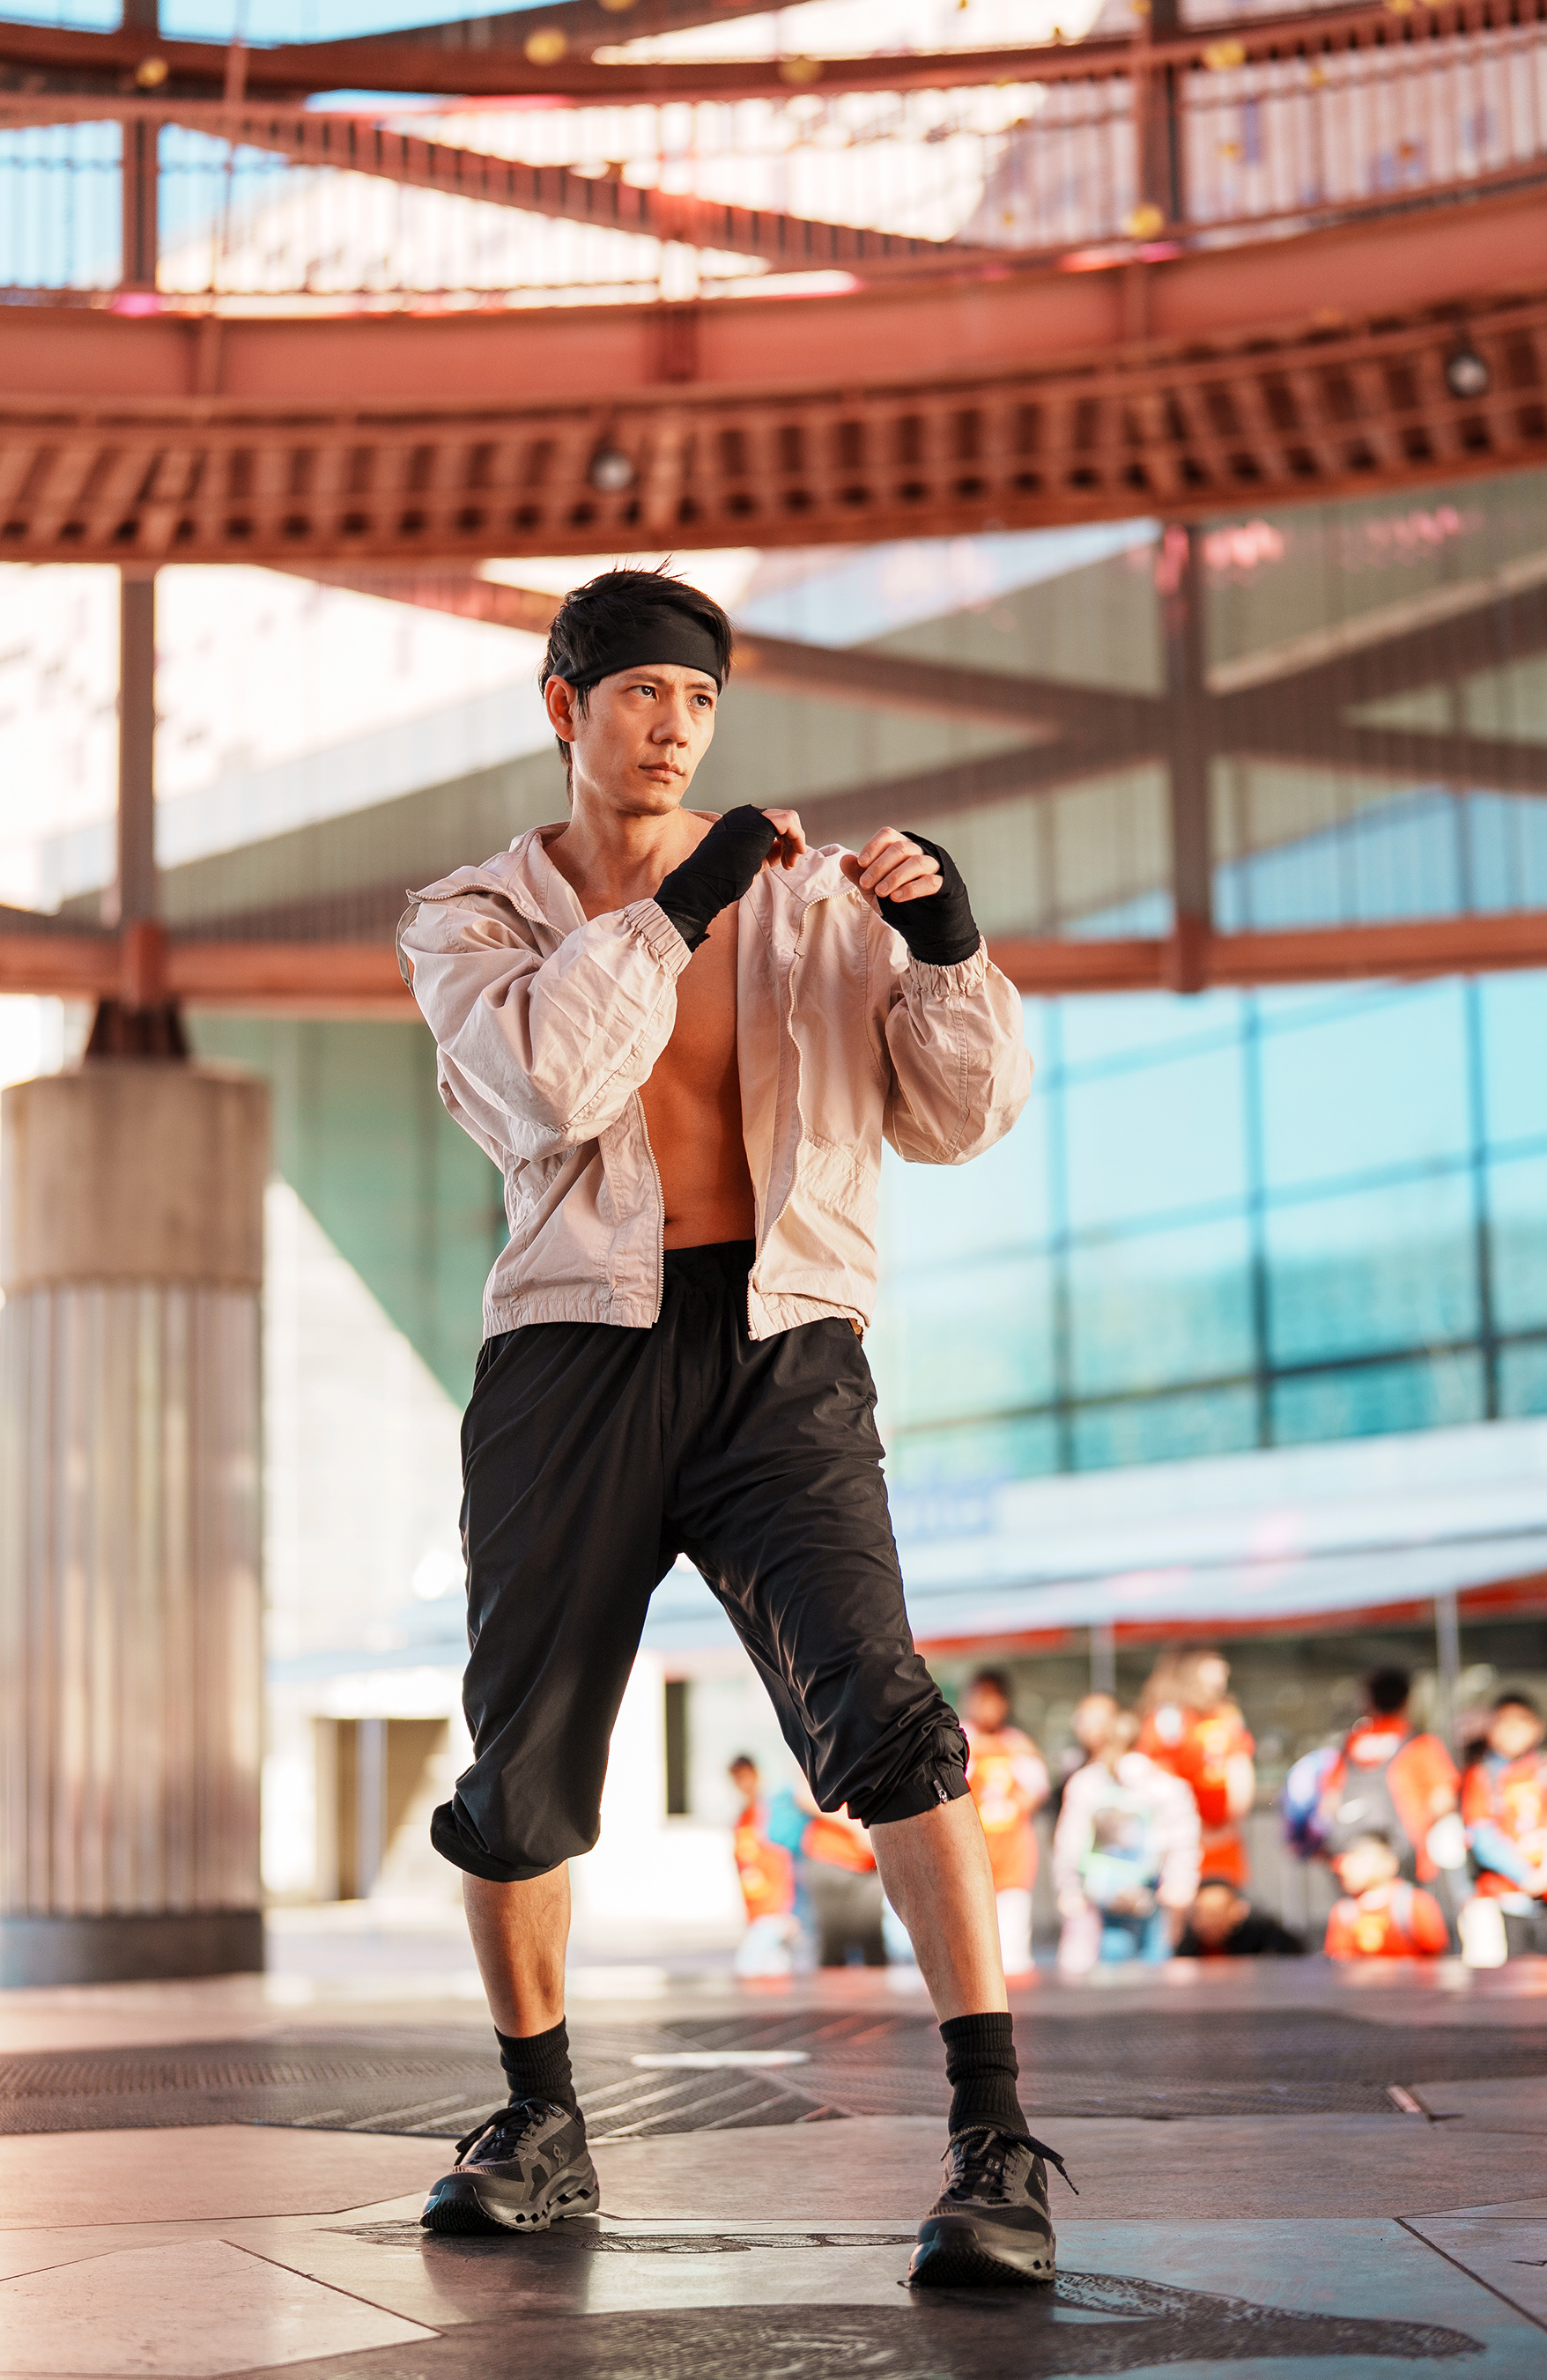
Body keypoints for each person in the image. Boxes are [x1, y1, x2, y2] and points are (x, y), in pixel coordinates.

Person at [397, 564, 1055, 2288]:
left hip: (783, 1351)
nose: (674, 727)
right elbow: (545, 1083)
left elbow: (958, 1117)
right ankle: (538, 2120)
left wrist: (950, 948)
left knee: (890, 1722)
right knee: (522, 1765)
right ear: (566, 709)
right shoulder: (471, 917)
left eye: (697, 699)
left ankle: (996, 2141)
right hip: (574, 1355)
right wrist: (680, 906)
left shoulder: (811, 903)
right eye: (640, 694)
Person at [1052, 1706, 1201, 1970]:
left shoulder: (1161, 1785)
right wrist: (1070, 1888)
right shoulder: (1089, 1783)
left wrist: (1179, 1882)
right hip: (1104, 1897)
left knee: (1149, 1963)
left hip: (1147, 1893)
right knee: (1115, 1962)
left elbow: (1181, 1838)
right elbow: (1071, 1841)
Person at [1310, 1667, 1462, 1886]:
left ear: (1369, 1701)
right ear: (1407, 1701)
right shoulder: (1420, 1742)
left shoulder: (1350, 1743)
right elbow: (1443, 1800)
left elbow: (1329, 1801)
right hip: (1405, 1859)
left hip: (1353, 1861)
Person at [1136, 1647, 1255, 1887]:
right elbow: (1155, 1776)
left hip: (1224, 1841)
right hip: (1182, 1844)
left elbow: (1239, 1766)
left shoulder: (1225, 1716)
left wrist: (1228, 1823)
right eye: (1214, 1662)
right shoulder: (1168, 1719)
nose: (1224, 1670)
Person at [961, 1670, 1049, 1978]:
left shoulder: (1018, 1744)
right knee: (969, 1954)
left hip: (1011, 1862)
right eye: (981, 1696)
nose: (987, 1704)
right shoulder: (959, 1740)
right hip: (968, 1863)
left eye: (994, 1697)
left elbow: (1036, 1791)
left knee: (1012, 1952)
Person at [1460, 1692, 1547, 1959]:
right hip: (1503, 1897)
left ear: (1537, 1727)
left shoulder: (1542, 1770)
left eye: (1520, 1722)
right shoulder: (1481, 1775)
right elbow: (1482, 1836)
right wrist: (1526, 1876)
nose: (1512, 1730)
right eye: (1503, 1722)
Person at [768, 1774, 887, 1966]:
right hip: (830, 1861)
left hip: (869, 1866)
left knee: (873, 1947)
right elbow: (805, 1793)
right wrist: (856, 1827)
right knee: (832, 1949)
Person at [728, 1755, 800, 1980]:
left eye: (746, 1776)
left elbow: (790, 1860)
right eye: (737, 1778)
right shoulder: (743, 1818)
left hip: (776, 1911)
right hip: (757, 1912)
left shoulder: (775, 1813)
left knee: (751, 1969)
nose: (743, 1783)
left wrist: (792, 1910)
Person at [1323, 1834, 1449, 1959]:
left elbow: (1435, 1952)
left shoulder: (1415, 1904)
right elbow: (1340, 1957)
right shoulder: (1344, 1911)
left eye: (1359, 1861)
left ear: (1388, 1864)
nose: (1346, 1868)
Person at [1175, 1879, 1304, 1959]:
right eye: (1200, 1913)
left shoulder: (1262, 1934)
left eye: (1214, 1914)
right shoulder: (1188, 1948)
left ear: (1236, 1911)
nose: (1206, 1922)